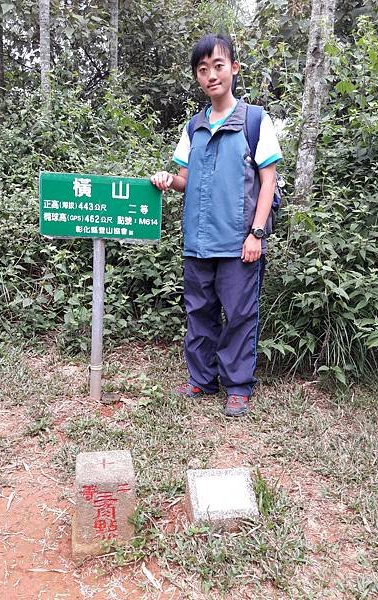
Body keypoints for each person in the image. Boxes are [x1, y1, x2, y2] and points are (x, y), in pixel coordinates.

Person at [150, 33, 282, 417]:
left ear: (234, 69)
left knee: (240, 315)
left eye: (218, 66)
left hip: (239, 241)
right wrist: (166, 179)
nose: (211, 75)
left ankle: (238, 386)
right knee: (199, 311)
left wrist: (256, 233)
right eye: (203, 69)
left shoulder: (255, 120)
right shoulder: (193, 127)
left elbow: (268, 180)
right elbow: (185, 179)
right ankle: (202, 380)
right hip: (198, 241)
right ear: (197, 77)